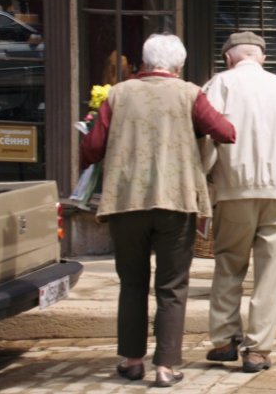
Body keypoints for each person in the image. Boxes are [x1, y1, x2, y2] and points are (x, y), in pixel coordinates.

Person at [80, 33, 236, 388]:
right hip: (175, 201)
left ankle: (132, 360)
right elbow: (225, 132)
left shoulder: (117, 94)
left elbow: (92, 147)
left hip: (126, 202)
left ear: (145, 63)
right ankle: (166, 366)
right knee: (172, 286)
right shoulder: (190, 93)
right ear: (178, 66)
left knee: (132, 282)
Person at [202, 31, 276, 373]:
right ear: (262, 58)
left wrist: (205, 180)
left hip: (234, 188)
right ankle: (257, 351)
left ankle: (224, 340)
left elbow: (206, 140)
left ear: (228, 58)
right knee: (270, 274)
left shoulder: (219, 84)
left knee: (229, 264)